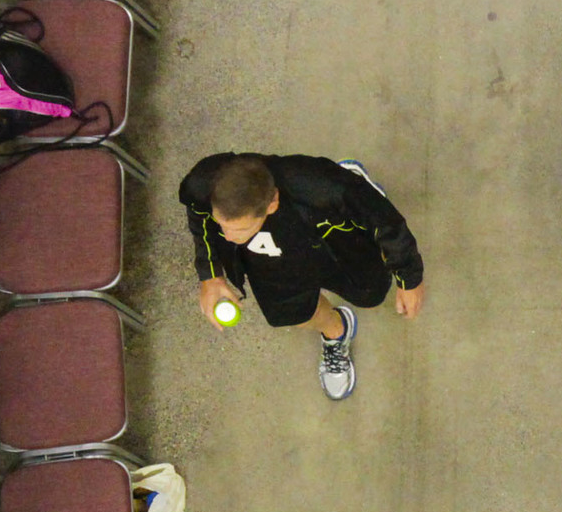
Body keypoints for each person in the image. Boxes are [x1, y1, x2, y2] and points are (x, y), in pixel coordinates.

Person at [179, 152, 425, 401]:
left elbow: (386, 223)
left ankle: (357, 182)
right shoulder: (204, 185)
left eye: (240, 229)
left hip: (331, 240)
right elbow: (198, 216)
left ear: (272, 202)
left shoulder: (324, 188)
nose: (228, 237)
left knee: (370, 294)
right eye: (222, 224)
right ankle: (336, 331)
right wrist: (210, 274)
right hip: (269, 256)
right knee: (291, 313)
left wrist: (409, 278)